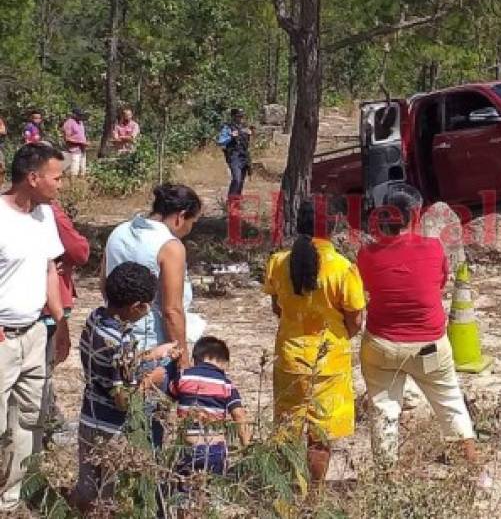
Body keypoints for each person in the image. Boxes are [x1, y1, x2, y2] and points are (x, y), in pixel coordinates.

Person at [357, 186, 481, 477]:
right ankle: (475, 469)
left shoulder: (367, 253)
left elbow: (367, 287)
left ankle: (386, 479)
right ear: (415, 215)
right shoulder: (433, 247)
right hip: (429, 345)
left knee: (385, 409)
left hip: (382, 345)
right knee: (451, 402)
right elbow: (437, 285)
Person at [263, 201, 365, 482]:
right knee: (320, 436)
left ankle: (285, 488)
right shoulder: (343, 268)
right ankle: (314, 499)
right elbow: (355, 320)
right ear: (333, 227)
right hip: (329, 363)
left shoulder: (278, 262)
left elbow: (277, 308)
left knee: (286, 430)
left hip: (289, 357)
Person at [71, 262, 179, 512]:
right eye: (147, 306)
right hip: (113, 430)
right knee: (110, 500)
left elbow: (113, 363)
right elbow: (124, 400)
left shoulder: (96, 318)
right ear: (136, 307)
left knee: (88, 489)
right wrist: (154, 378)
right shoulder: (122, 344)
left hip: (89, 417)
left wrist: (151, 354)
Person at [0, 144, 70, 511]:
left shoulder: (44, 215)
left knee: (30, 421)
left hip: (34, 334)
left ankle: (11, 501)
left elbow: (49, 271)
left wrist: (61, 322)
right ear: (33, 178)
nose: (61, 184)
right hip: (1, 339)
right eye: (56, 177)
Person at [103, 184, 202, 367]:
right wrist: (183, 363)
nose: (190, 229)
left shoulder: (118, 232)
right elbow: (172, 310)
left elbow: (105, 284)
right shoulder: (170, 246)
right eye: (192, 222)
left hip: (113, 338)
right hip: (154, 347)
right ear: (180, 217)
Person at [165, 336, 250, 481]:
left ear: (195, 359)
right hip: (215, 450)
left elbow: (167, 398)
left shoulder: (183, 377)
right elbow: (239, 416)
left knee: (184, 490)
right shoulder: (226, 384)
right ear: (225, 363)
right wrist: (247, 448)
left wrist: (173, 365)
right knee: (212, 489)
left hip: (187, 448)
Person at [41, 202, 90, 431]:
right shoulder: (49, 210)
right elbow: (79, 250)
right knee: (40, 373)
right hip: (46, 306)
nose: (58, 184)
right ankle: (51, 425)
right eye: (56, 178)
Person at [217, 108, 252, 197]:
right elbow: (220, 141)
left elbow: (246, 143)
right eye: (238, 116)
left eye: (242, 116)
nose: (240, 118)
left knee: (241, 182)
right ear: (233, 117)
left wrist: (249, 134)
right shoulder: (227, 127)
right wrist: (231, 136)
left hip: (244, 156)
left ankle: (236, 204)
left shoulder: (244, 127)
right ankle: (230, 202)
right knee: (236, 179)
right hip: (234, 156)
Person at [62, 107, 89, 177]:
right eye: (79, 115)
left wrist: (85, 142)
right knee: (75, 169)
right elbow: (67, 138)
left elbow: (81, 135)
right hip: (74, 149)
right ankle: (73, 184)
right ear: (74, 114)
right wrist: (80, 142)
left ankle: (81, 183)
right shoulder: (68, 123)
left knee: (83, 169)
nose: (81, 116)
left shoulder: (80, 123)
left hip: (82, 149)